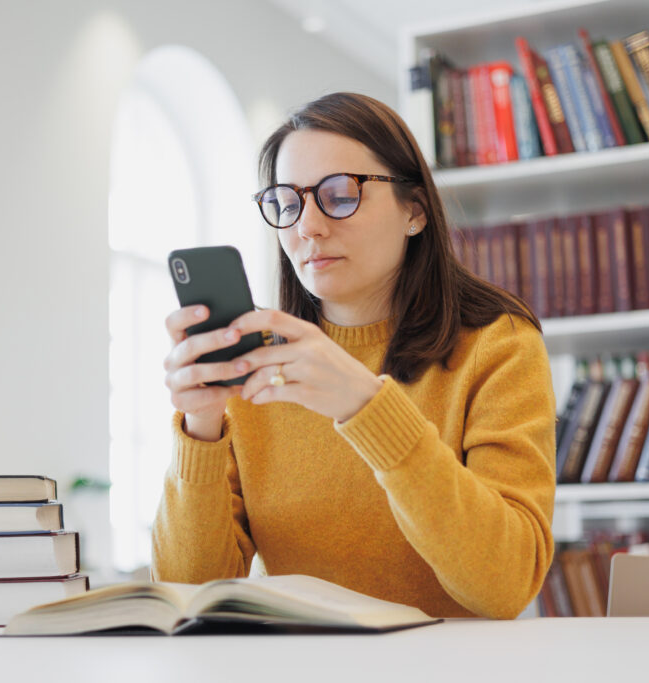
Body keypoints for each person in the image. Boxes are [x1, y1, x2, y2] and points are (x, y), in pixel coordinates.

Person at [152, 92, 555, 620]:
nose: (308, 227)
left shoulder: (497, 346)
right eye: (288, 203)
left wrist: (369, 409)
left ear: (414, 210)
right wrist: (201, 429)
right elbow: (187, 595)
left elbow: (505, 585)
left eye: (340, 195)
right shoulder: (258, 365)